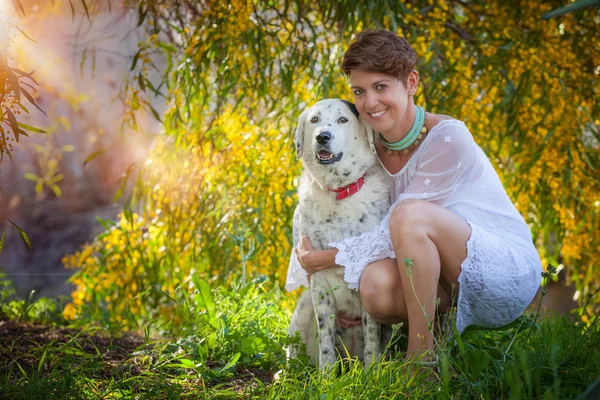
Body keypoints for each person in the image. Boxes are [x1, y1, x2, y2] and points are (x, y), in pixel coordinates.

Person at [287, 30, 542, 366]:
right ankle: (443, 334)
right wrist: (338, 289)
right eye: (359, 91)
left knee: (407, 216)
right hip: (441, 271)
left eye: (381, 87)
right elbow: (322, 192)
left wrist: (326, 259)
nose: (370, 102)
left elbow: (393, 228)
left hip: (500, 269)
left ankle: (422, 363)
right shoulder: (367, 147)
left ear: (411, 83)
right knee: (373, 285)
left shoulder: (448, 139)